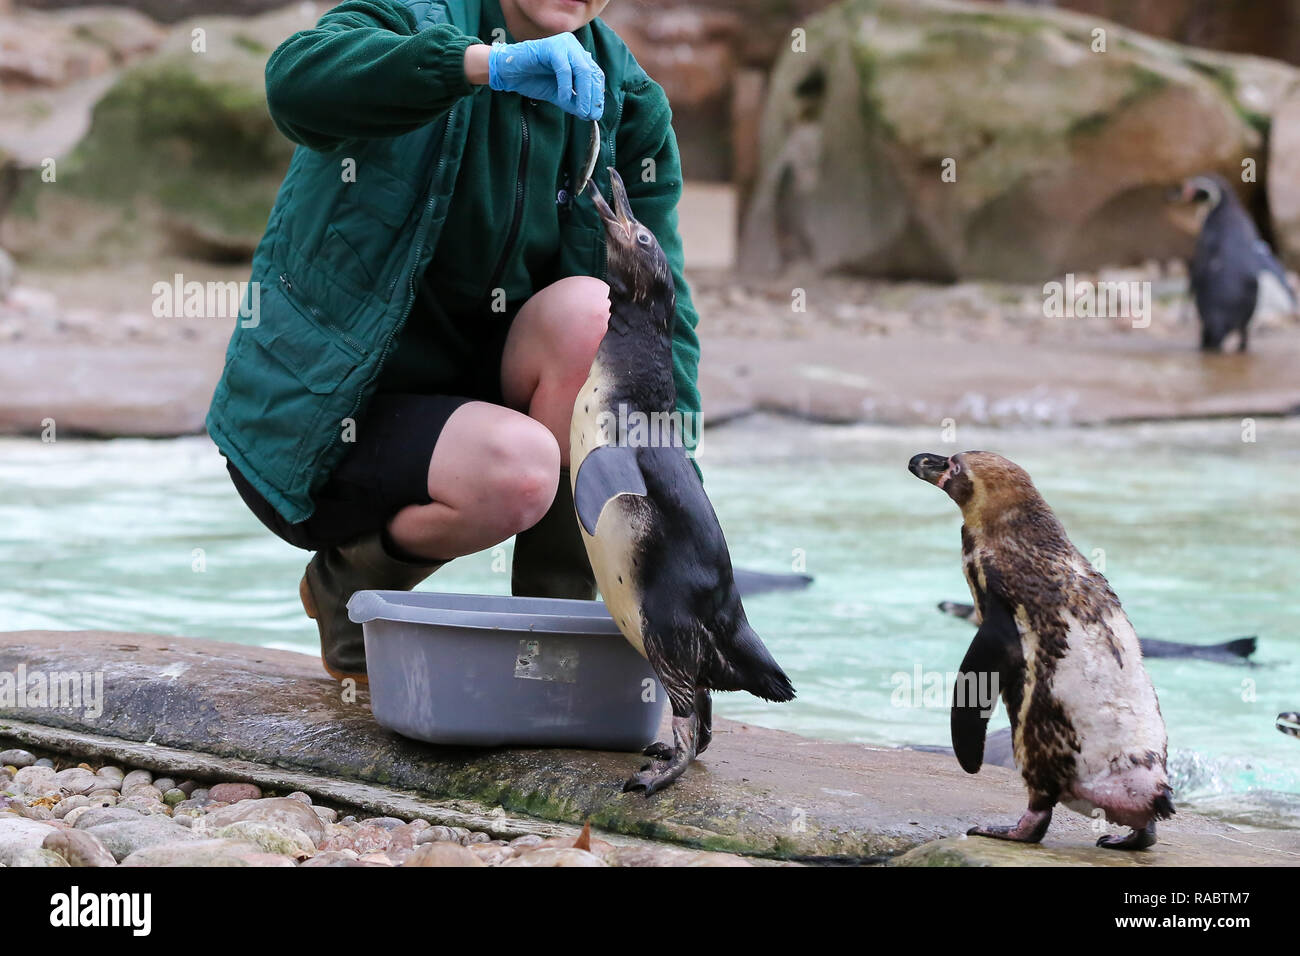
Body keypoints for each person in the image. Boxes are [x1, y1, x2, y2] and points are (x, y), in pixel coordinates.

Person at [206, 0, 703, 682]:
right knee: (521, 467)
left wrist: (678, 489)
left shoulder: (623, 95)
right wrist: (479, 67)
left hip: (483, 415)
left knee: (600, 314)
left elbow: (658, 309)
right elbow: (294, 85)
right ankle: (347, 588)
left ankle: (556, 646)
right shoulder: (418, 13)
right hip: (327, 418)